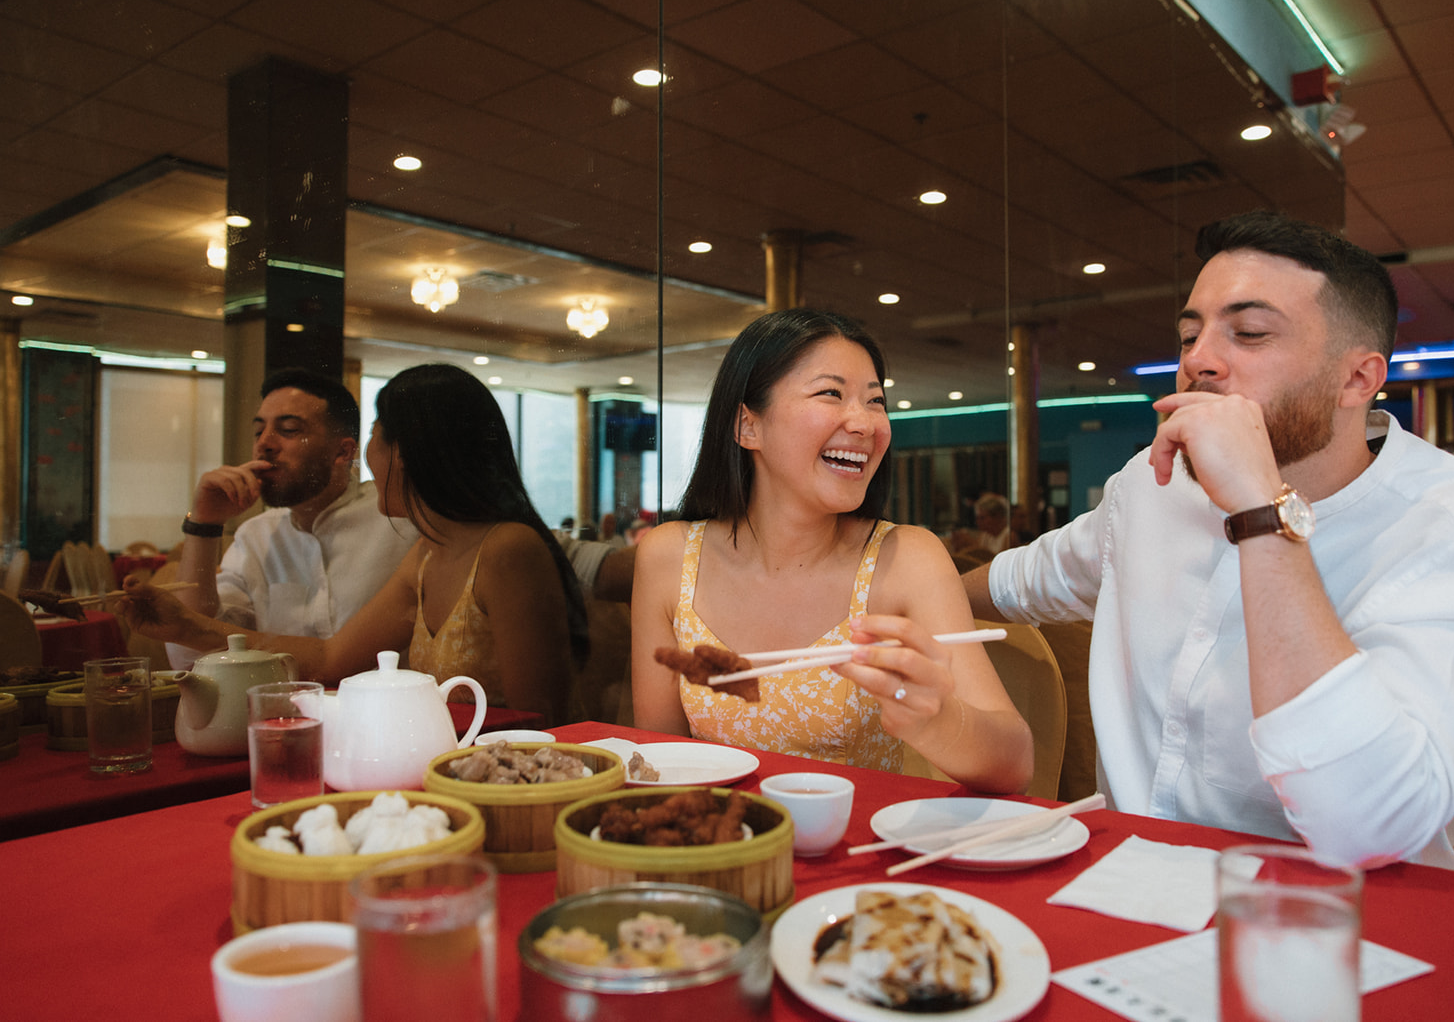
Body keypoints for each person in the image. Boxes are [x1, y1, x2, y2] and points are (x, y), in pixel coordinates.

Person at [963, 211, 1454, 868]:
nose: (1197, 360)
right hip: (1131, 880)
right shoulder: (1151, 485)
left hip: (1345, 922)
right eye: (1191, 335)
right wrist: (884, 584)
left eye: (1248, 334)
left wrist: (1261, 510)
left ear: (1357, 379)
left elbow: (1370, 826)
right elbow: (1024, 581)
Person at [631, 307, 1032, 794]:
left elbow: (1015, 763)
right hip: (723, 849)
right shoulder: (668, 558)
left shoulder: (907, 558)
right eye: (831, 393)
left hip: (855, 852)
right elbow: (659, 758)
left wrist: (937, 719)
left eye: (876, 401)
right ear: (747, 426)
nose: (865, 424)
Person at [125, 363, 588, 724]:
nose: (263, 445)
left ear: (408, 453)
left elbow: (542, 722)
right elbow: (330, 659)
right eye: (259, 429)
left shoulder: (505, 548)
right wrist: (183, 624)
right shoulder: (428, 553)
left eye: (374, 438)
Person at [168, 368, 419, 666]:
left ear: (343, 452)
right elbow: (189, 655)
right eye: (259, 431)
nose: (265, 443)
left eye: (288, 430)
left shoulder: (400, 521)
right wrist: (204, 524)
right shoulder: (256, 537)